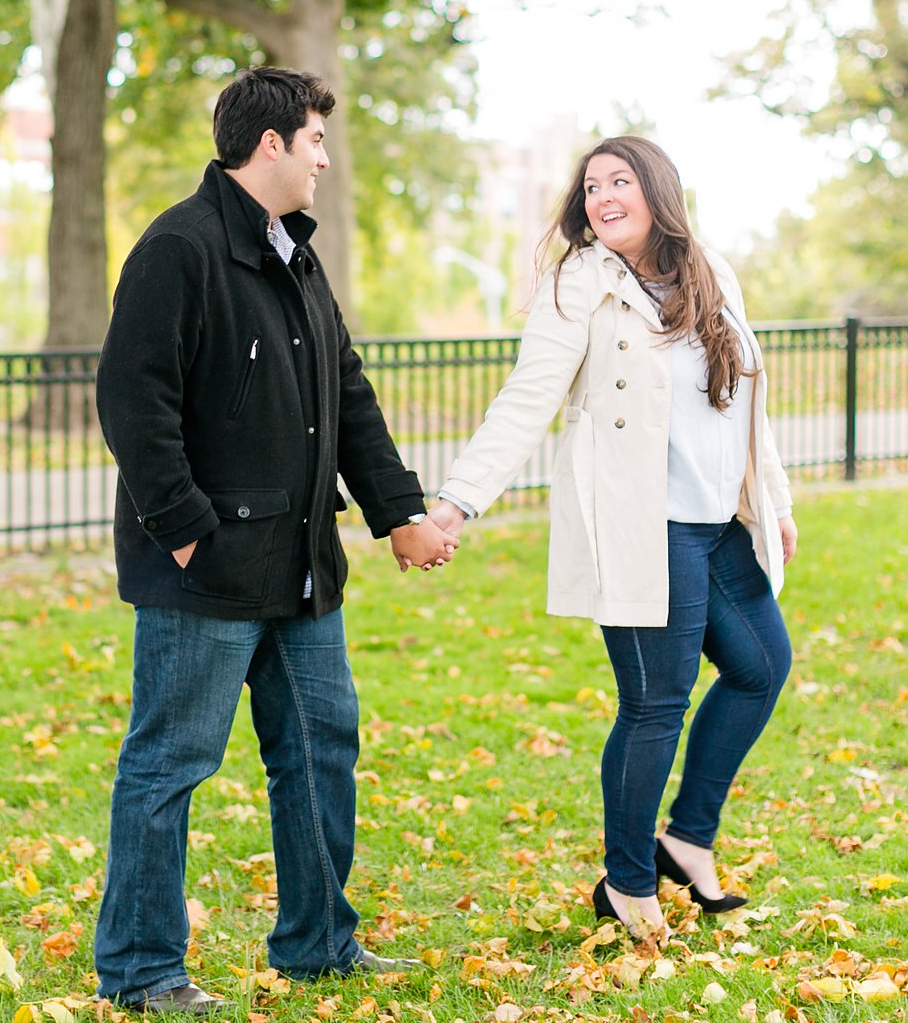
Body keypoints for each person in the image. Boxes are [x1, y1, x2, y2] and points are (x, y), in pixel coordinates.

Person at [92, 66, 459, 1015]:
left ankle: (317, 943)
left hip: (302, 568)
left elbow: (349, 395)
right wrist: (180, 533)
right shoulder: (177, 248)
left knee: (320, 747)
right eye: (317, 142)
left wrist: (400, 515)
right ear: (271, 146)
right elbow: (135, 403)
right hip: (206, 570)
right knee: (171, 765)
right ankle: (140, 969)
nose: (325, 161)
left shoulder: (297, 255)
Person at [427, 135, 798, 940]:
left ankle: (687, 838)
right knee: (655, 703)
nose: (602, 197)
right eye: (592, 186)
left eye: (619, 181)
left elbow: (744, 398)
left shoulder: (710, 270)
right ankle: (627, 883)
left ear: (658, 189)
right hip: (644, 523)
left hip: (716, 522)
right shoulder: (577, 285)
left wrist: (775, 499)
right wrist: (457, 502)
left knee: (763, 666)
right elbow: (527, 400)